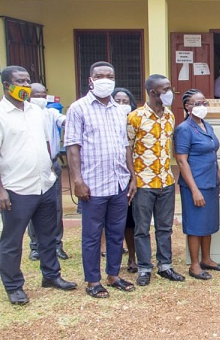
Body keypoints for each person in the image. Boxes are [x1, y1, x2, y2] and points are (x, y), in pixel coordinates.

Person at [0, 66, 77, 305]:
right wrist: (1, 189)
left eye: (28, 81)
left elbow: (45, 143)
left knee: (48, 235)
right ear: (6, 85)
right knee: (12, 241)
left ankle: (51, 276)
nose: (25, 85)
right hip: (16, 188)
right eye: (20, 82)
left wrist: (51, 173)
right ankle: (14, 287)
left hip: (45, 184)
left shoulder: (36, 111)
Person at [65, 61, 137, 299]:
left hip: (118, 182)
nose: (105, 79)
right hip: (93, 184)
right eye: (100, 75)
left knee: (116, 232)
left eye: (110, 75)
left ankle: (113, 275)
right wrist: (77, 180)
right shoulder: (78, 108)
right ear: (91, 80)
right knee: (92, 235)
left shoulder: (120, 110)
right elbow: (72, 147)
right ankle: (92, 280)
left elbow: (125, 146)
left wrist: (132, 177)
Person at [127, 75, 185, 286]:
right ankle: (144, 268)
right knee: (142, 228)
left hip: (166, 181)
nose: (170, 93)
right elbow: (128, 149)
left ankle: (165, 266)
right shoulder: (135, 117)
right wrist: (133, 178)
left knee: (164, 227)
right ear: (153, 92)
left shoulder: (169, 116)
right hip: (143, 183)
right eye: (166, 89)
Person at [175, 89, 220, 280]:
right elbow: (182, 161)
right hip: (194, 185)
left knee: (208, 223)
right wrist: (194, 190)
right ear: (187, 107)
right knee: (195, 226)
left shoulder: (207, 126)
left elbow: (213, 156)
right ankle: (195, 265)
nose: (202, 107)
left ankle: (207, 259)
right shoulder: (184, 129)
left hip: (211, 182)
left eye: (204, 102)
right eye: (197, 103)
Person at [27, 82, 69, 262]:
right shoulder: (25, 114)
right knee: (33, 206)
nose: (41, 99)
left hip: (52, 164)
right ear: (29, 96)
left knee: (55, 207)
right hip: (31, 166)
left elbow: (66, 121)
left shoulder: (50, 113)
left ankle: (57, 245)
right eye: (37, 96)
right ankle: (35, 247)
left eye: (43, 96)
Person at [112, 87, 138, 273]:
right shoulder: (107, 122)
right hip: (111, 176)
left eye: (125, 101)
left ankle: (133, 256)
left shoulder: (135, 122)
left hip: (134, 176)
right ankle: (113, 253)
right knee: (114, 220)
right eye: (118, 101)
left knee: (132, 220)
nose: (122, 105)